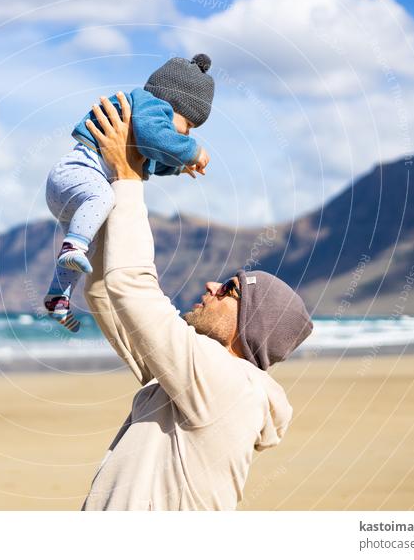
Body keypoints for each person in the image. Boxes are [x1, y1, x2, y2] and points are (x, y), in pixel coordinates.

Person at [79, 92, 314, 511]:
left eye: (229, 290)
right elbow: (104, 292)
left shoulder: (227, 385)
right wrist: (110, 183)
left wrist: (128, 179)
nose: (211, 285)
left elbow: (131, 288)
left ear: (251, 326)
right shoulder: (188, 380)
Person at [44, 54, 214, 332]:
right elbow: (155, 138)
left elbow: (151, 158)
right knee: (103, 200)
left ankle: (57, 298)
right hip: (76, 173)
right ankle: (73, 246)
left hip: (74, 189)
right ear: (174, 105)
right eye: (190, 126)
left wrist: (178, 168)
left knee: (92, 245)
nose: (186, 134)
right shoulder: (150, 105)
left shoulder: (145, 122)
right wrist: (193, 150)